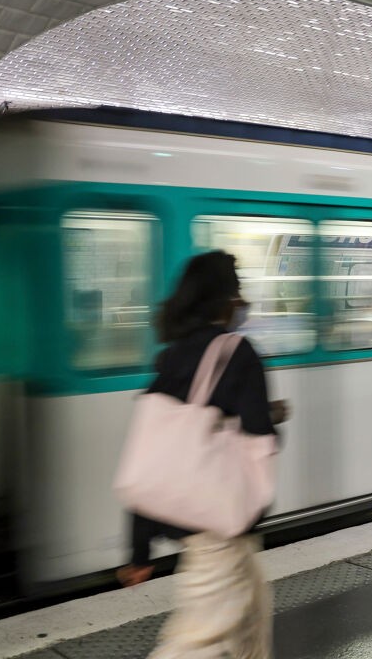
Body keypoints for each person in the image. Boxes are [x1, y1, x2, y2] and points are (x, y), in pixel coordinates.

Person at [118, 250, 286, 659]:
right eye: (238, 290)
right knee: (195, 643)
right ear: (224, 298)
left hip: (202, 526)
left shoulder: (171, 356)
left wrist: (139, 552)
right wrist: (273, 418)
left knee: (252, 618)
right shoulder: (238, 352)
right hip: (217, 530)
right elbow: (260, 434)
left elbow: (156, 455)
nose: (243, 301)